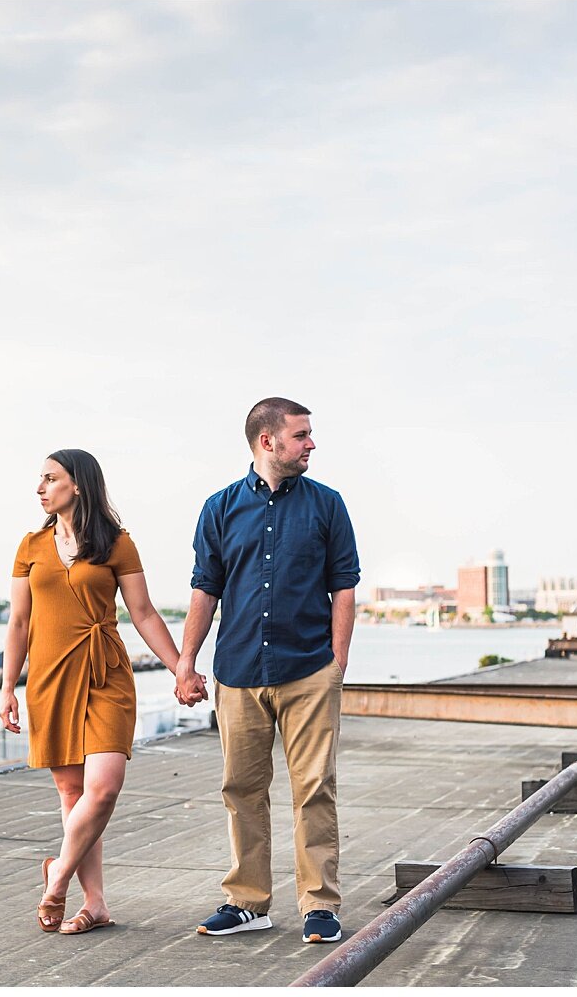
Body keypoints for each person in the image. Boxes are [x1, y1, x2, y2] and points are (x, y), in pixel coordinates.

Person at [177, 397, 359, 943]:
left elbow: (344, 584)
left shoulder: (327, 505)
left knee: (314, 789)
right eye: (301, 435)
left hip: (308, 669)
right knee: (241, 789)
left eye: (309, 435)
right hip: (237, 670)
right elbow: (205, 588)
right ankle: (248, 901)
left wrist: (337, 662)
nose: (311, 444)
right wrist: (186, 662)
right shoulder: (219, 507)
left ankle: (319, 905)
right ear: (267, 441)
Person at [0, 448, 195, 935]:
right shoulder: (30, 546)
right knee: (71, 792)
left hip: (105, 672)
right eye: (40, 480)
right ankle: (97, 903)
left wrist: (180, 669)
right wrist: (7, 687)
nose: (40, 488)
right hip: (49, 676)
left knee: (102, 788)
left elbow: (144, 613)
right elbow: (19, 622)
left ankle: (57, 876)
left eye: (50, 478)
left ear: (79, 485)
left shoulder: (117, 543)